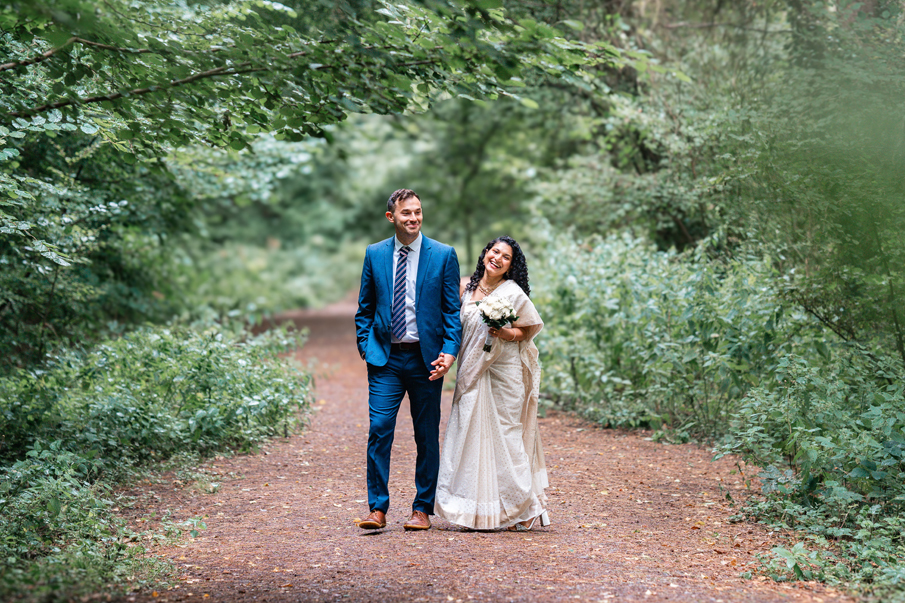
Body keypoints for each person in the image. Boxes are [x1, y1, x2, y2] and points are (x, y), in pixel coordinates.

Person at [354, 189, 462, 531]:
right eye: (406, 214)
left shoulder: (443, 255)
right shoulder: (374, 254)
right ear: (391, 217)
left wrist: (450, 350)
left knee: (426, 435)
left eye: (417, 212)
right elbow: (365, 309)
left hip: (426, 360)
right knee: (380, 430)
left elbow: (451, 311)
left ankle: (421, 509)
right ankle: (377, 508)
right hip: (385, 360)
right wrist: (365, 346)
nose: (413, 218)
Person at [434, 236, 550, 531]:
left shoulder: (512, 293)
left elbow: (527, 330)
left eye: (506, 256)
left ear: (512, 266)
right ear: (485, 254)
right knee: (471, 433)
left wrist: (504, 332)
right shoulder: (464, 287)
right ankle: (477, 509)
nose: (497, 258)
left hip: (504, 373)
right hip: (472, 371)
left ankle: (522, 508)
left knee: (507, 438)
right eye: (494, 252)